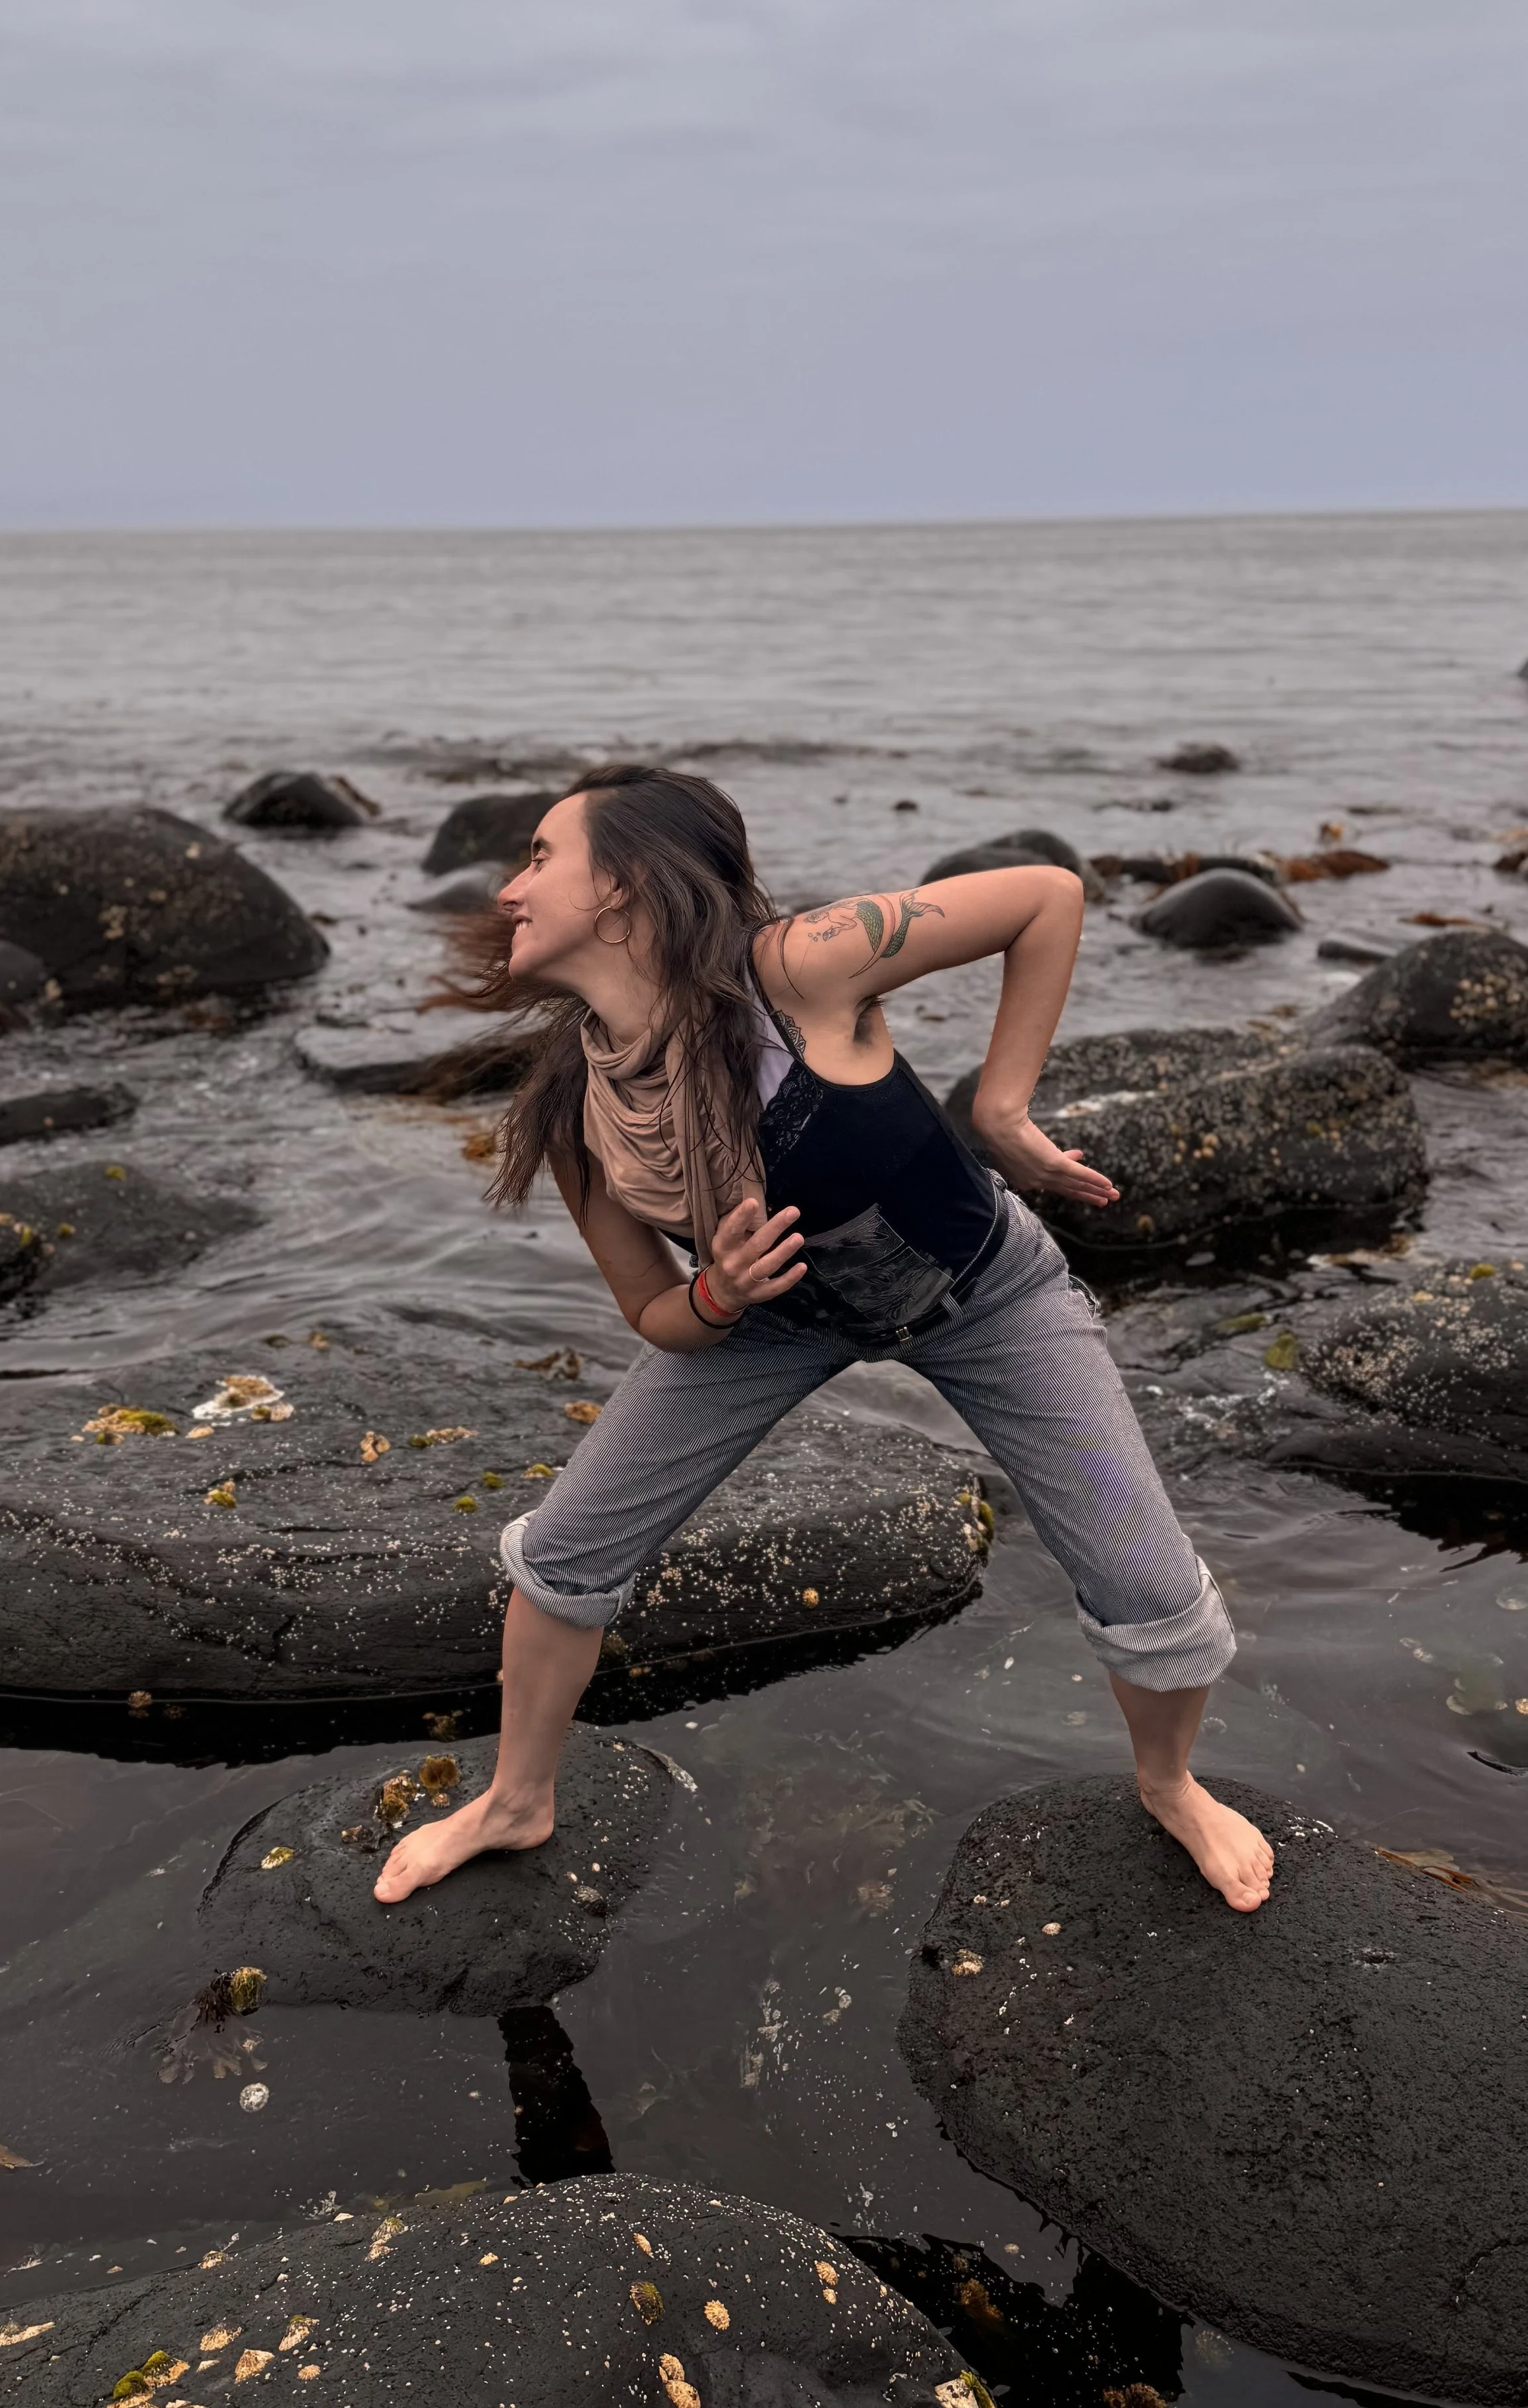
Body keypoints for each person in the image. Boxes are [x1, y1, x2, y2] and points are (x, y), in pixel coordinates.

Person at [375, 764, 1273, 1916]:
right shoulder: (575, 1113)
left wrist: (1001, 1109)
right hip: (773, 1319)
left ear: (626, 886)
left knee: (1149, 1589)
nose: (508, 889)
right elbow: (655, 1311)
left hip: (985, 1292)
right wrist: (720, 1297)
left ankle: (1169, 1784)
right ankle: (515, 1802)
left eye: (542, 856)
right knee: (560, 1561)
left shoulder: (799, 969)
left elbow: (1047, 896)